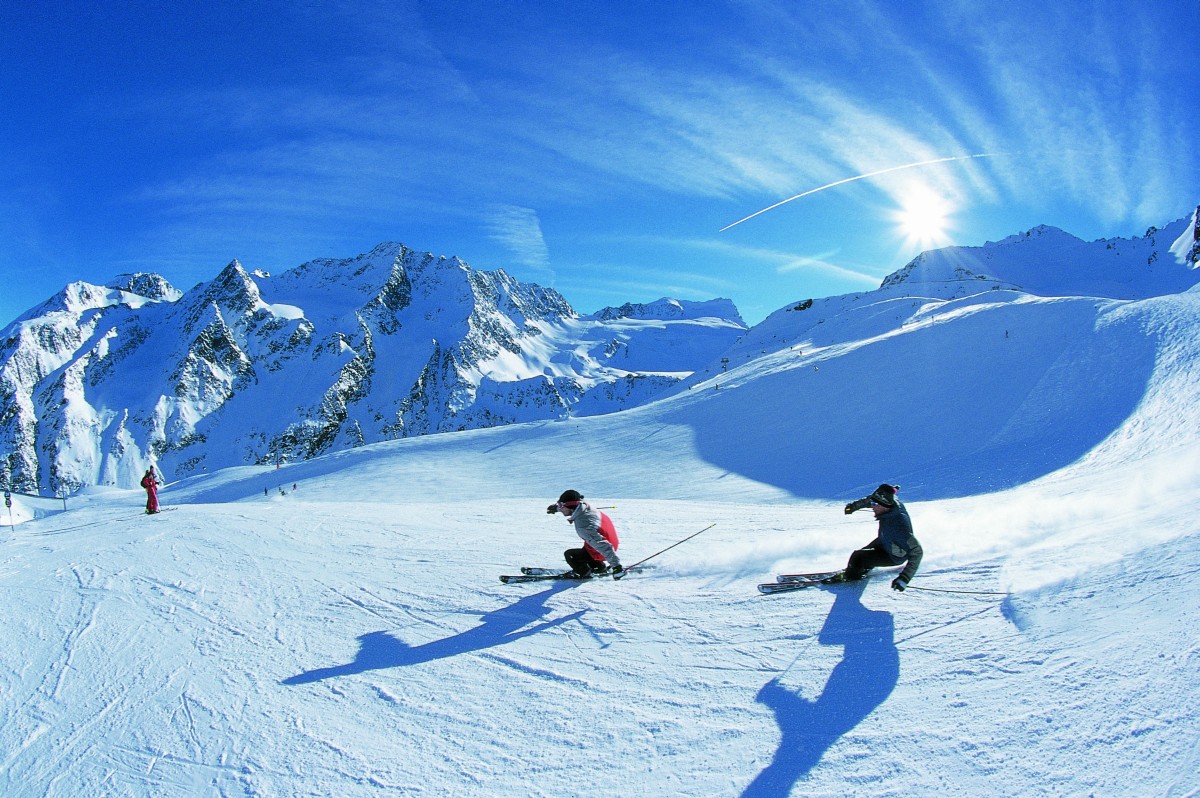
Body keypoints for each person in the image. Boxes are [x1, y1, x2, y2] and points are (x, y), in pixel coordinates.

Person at [837, 483, 922, 591]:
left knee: (857, 557)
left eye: (874, 504)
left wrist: (904, 578)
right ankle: (860, 568)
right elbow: (872, 499)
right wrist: (853, 506)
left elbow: (917, 551)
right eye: (872, 503)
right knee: (862, 554)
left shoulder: (899, 526)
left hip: (894, 555)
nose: (872, 506)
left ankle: (850, 577)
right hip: (885, 541)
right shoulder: (890, 504)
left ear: (885, 505)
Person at [546, 490, 623, 578]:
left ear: (569, 507)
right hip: (609, 541)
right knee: (588, 546)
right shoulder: (584, 507)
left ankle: (584, 572)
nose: (560, 507)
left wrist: (616, 566)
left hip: (606, 547)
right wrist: (555, 508)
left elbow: (603, 546)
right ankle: (599, 567)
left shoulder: (583, 525)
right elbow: (570, 505)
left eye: (561, 506)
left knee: (570, 555)